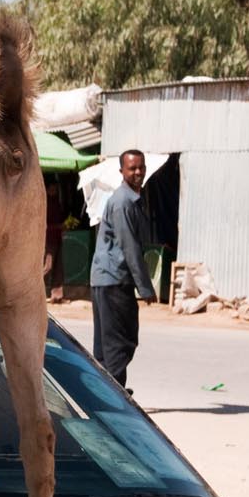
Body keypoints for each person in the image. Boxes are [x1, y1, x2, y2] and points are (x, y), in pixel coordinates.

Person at [90, 149, 158, 388]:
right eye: (132, 168)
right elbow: (130, 247)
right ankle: (116, 398)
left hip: (106, 280)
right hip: (114, 281)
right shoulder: (123, 202)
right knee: (119, 342)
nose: (138, 172)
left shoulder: (129, 200)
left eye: (141, 167)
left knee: (106, 345)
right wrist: (146, 287)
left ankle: (106, 393)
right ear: (122, 171)